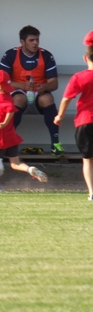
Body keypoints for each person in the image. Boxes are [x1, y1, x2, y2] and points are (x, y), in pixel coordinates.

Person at [0, 70, 49, 191]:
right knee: (15, 163)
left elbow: (10, 110)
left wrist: (4, 123)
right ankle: (29, 169)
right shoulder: (8, 96)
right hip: (10, 137)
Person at [0, 25, 63, 156]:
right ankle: (8, 143)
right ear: (22, 42)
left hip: (38, 92)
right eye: (31, 40)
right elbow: (2, 82)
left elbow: (54, 83)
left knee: (48, 98)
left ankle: (55, 144)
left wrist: (44, 87)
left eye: (37, 40)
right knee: (19, 99)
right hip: (18, 91)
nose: (35, 43)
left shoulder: (46, 55)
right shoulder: (11, 54)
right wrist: (21, 85)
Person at [54, 31, 93, 200]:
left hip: (85, 121)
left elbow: (66, 99)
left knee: (88, 160)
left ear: (85, 58)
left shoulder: (79, 77)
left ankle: (92, 192)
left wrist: (59, 116)